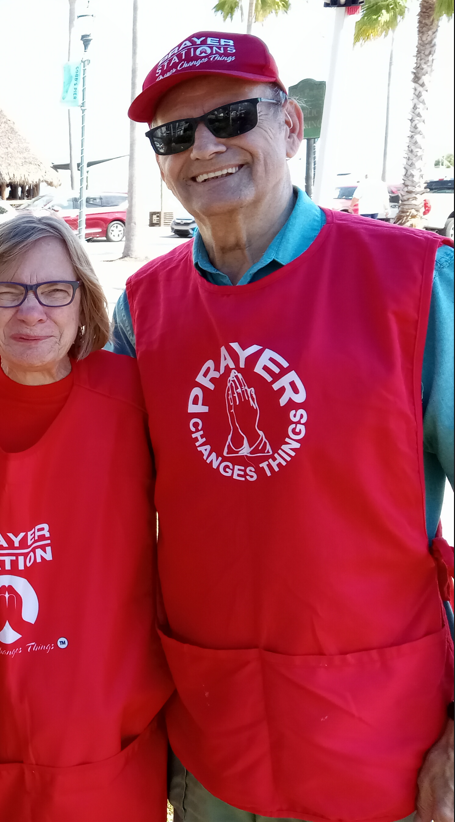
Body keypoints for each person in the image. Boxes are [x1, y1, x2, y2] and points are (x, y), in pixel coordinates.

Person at [110, 31, 455, 822]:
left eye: (232, 117)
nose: (204, 147)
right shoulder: (144, 308)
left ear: (291, 126)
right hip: (214, 746)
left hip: (386, 747)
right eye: (174, 134)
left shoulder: (414, 280)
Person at [0, 213, 173, 822]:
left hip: (106, 722)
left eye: (55, 290)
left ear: (84, 302)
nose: (32, 311)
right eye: (7, 290)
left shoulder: (137, 400)